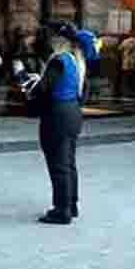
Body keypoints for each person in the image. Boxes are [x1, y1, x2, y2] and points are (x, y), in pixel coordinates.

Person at [30, 21, 87, 225]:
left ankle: (61, 209)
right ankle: (71, 204)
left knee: (58, 164)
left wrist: (29, 84)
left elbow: (43, 89)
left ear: (57, 40)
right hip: (72, 112)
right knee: (68, 162)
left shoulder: (57, 61)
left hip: (57, 115)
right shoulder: (75, 59)